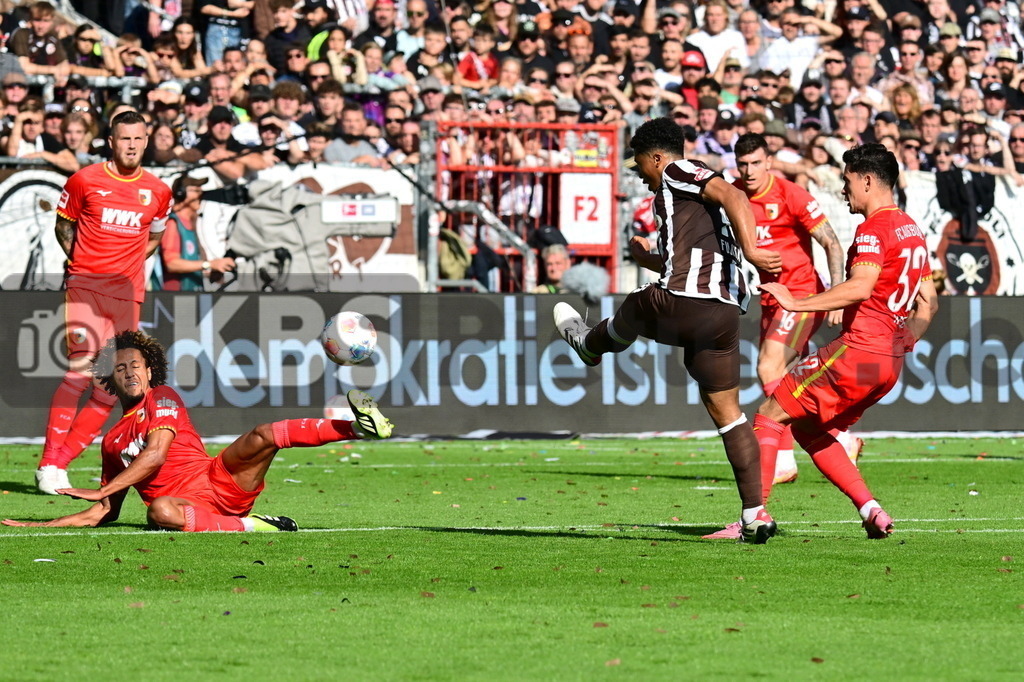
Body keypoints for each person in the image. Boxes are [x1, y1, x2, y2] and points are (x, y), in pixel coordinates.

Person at [553, 117, 783, 544]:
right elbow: (692, 252)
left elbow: (733, 192)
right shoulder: (690, 203)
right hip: (725, 316)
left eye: (640, 165)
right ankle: (755, 513)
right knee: (729, 416)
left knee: (641, 301)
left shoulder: (678, 171)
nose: (640, 175)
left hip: (692, 300)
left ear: (657, 158)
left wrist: (752, 249)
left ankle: (590, 345)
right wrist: (651, 260)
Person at [5, 331, 394, 532]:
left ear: (151, 369)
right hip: (188, 508)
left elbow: (156, 453)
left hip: (219, 479)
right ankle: (253, 527)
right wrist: (42, 525)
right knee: (157, 512)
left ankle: (359, 428)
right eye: (120, 369)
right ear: (111, 379)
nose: (130, 372)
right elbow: (104, 513)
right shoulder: (112, 442)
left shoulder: (162, 396)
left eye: (136, 365)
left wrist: (102, 487)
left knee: (262, 434)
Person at [753, 143, 939, 539]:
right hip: (888, 364)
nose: (844, 189)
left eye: (847, 179)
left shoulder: (874, 229)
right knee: (807, 429)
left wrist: (796, 301)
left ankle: (754, 517)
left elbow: (860, 286)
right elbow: (930, 303)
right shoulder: (912, 229)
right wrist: (910, 337)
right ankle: (871, 510)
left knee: (770, 414)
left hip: (857, 351)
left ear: (868, 180)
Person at [700, 134, 848, 540]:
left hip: (800, 294)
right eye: (742, 164)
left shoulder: (791, 195)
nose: (748, 171)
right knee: (781, 375)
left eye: (755, 163)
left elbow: (832, 243)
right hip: (770, 300)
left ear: (768, 162)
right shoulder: (731, 196)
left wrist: (834, 294)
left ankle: (784, 456)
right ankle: (837, 434)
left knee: (768, 365)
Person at [34, 111, 174, 495]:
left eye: (138, 138)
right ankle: (48, 463)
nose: (131, 145)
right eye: (124, 138)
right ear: (111, 141)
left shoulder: (159, 191)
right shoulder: (85, 179)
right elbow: (64, 225)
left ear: (146, 141)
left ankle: (60, 464)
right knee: (79, 371)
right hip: (86, 287)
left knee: (106, 386)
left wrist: (124, 266)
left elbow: (155, 237)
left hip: (128, 294)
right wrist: (83, 265)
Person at [155, 175, 236, 291]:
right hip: (175, 297)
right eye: (196, 190)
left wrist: (212, 271)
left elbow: (194, 261)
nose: (201, 194)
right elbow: (172, 263)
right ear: (180, 194)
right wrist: (209, 264)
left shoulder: (194, 223)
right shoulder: (172, 223)